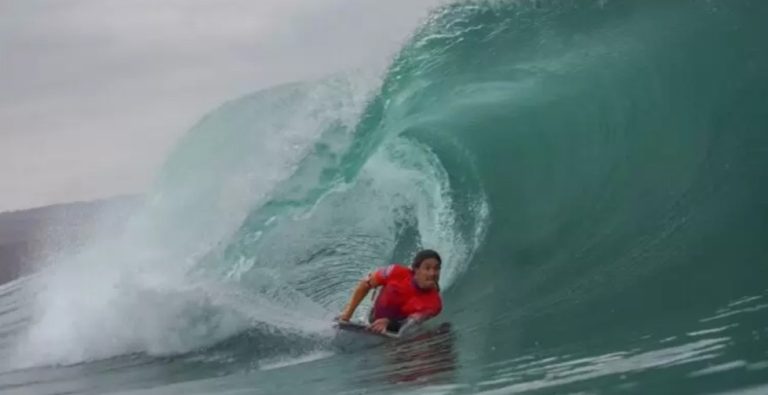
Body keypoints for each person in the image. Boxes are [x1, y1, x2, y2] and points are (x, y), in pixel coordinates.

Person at [337, 249, 443, 334]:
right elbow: (365, 285)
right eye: (427, 268)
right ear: (416, 269)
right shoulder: (395, 272)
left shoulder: (434, 304)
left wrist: (388, 322)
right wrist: (348, 314)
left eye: (436, 269)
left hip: (394, 331)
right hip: (373, 316)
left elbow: (409, 324)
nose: (432, 273)